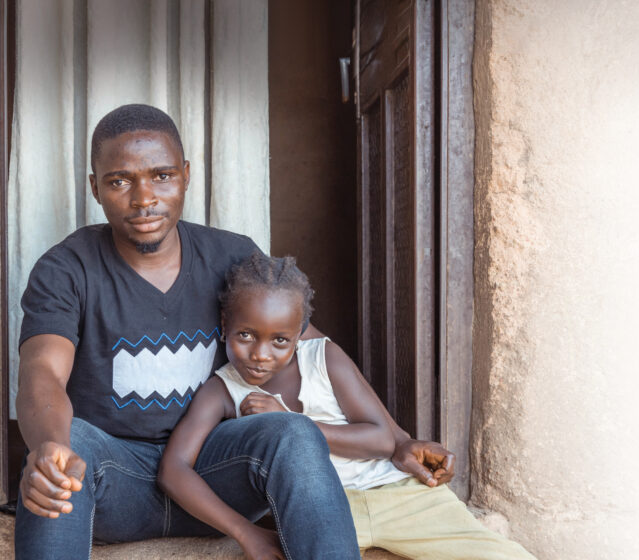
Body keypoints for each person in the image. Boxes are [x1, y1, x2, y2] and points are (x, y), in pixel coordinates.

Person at [15, 104, 455, 559]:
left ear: (186, 175)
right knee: (62, 453)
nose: (144, 197)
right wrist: (50, 446)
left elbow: (313, 345)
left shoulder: (231, 256)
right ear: (95, 187)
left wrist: (399, 439)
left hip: (215, 472)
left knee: (292, 431)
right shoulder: (66, 269)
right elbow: (42, 371)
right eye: (119, 181)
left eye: (162, 176)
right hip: (113, 479)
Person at [159, 251, 536, 560]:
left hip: (400, 494)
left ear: (300, 331)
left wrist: (290, 422)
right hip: (319, 511)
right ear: (224, 323)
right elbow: (174, 470)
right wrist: (245, 532)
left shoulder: (323, 358)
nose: (260, 354)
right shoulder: (222, 390)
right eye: (245, 335)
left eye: (280, 340)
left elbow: (382, 440)